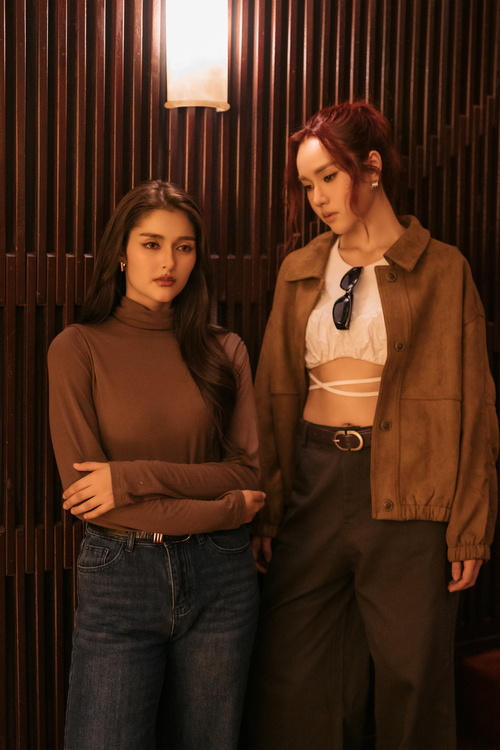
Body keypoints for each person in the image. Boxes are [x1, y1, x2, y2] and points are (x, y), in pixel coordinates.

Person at [243, 101, 498, 750]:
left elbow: (475, 406)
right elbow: (273, 395)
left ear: (372, 167)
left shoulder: (443, 269)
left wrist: (470, 525)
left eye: (329, 176)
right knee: (294, 681)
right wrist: (269, 510)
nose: (318, 198)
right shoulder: (300, 269)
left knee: (413, 683)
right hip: (313, 484)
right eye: (307, 184)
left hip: (410, 494)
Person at [47, 180, 265, 750]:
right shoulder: (77, 348)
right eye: (151, 244)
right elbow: (88, 498)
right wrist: (225, 512)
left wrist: (129, 478)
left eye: (184, 247)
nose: (168, 262)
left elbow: (247, 474)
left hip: (223, 579)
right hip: (122, 573)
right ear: (121, 252)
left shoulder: (226, 350)